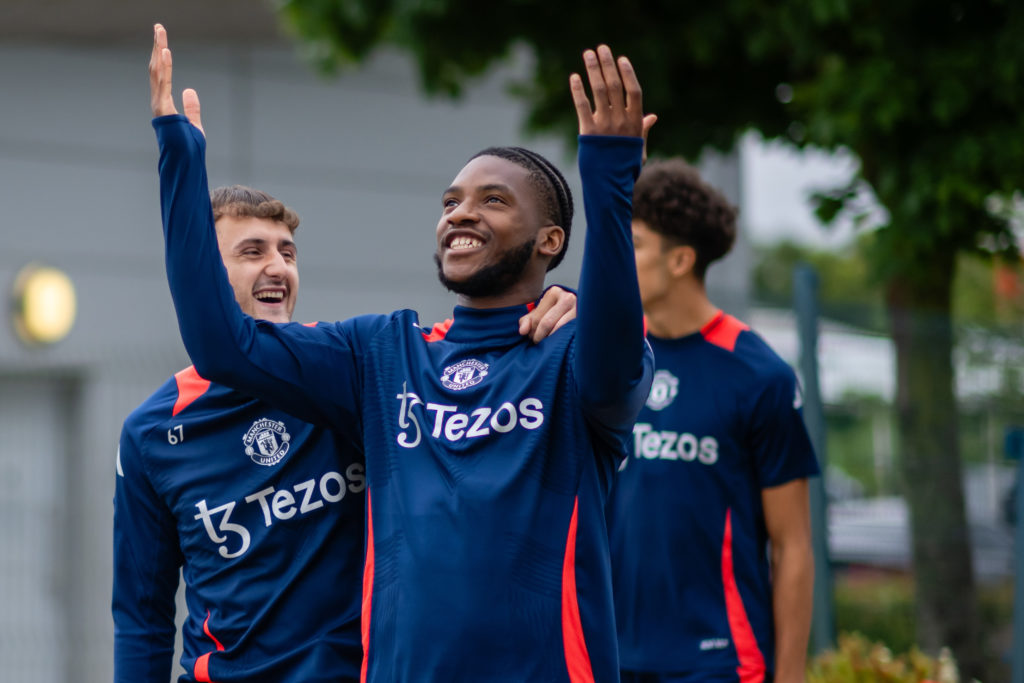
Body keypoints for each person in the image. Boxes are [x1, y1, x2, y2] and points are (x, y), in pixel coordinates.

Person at [149, 22, 655, 682]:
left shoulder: (571, 355)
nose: (460, 214)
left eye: (493, 201)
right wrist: (181, 162)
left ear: (550, 240)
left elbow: (617, 365)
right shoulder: (382, 354)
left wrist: (609, 187)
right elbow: (222, 344)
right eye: (451, 202)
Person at [112, 181, 576, 682]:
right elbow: (142, 616)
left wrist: (564, 304)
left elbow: (476, 344)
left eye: (287, 253)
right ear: (199, 270)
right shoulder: (153, 431)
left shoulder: (357, 373)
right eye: (252, 252)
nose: (278, 267)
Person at [607, 158, 820, 683]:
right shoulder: (605, 357)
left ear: (679, 260)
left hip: (718, 661)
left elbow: (793, 545)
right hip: (608, 655)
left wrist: (789, 675)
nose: (617, 260)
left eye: (633, 245)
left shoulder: (759, 374)